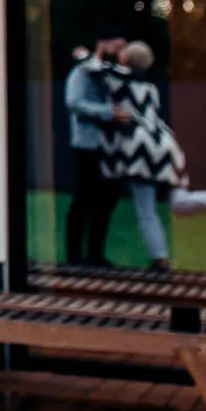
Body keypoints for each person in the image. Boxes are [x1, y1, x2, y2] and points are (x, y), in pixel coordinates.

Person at [101, 41, 206, 271]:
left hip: (142, 150)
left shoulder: (122, 77)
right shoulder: (151, 87)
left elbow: (95, 68)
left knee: (145, 207)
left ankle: (160, 259)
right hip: (166, 143)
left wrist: (92, 53)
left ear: (128, 60)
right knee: (177, 201)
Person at [64, 31, 131, 266]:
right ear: (102, 43)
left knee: (106, 200)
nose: (119, 52)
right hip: (88, 145)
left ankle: (95, 254)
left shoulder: (114, 75)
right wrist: (108, 112)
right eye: (117, 46)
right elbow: (74, 102)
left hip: (111, 147)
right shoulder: (83, 71)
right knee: (83, 200)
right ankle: (74, 256)